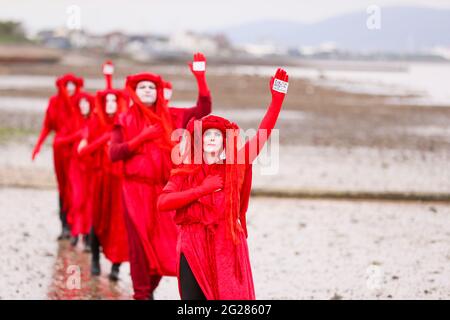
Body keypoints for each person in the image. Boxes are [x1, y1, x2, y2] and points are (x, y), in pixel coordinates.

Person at [157, 68, 289, 300]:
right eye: (207, 135)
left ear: (224, 142)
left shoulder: (235, 166)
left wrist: (276, 101)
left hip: (226, 242)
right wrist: (201, 189)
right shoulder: (185, 171)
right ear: (198, 140)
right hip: (192, 242)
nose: (211, 139)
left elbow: (261, 134)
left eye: (216, 135)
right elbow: (163, 203)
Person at [109, 53, 212, 300]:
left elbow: (203, 110)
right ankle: (142, 294)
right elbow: (114, 153)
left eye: (151, 87)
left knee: (167, 243)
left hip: (165, 191)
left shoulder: (174, 116)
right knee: (139, 245)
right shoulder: (124, 118)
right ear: (134, 91)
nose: (146, 90)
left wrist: (200, 78)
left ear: (158, 91)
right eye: (141, 87)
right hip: (134, 191)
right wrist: (140, 138)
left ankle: (150, 289)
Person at [31, 74, 84, 240]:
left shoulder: (81, 101)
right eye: (66, 85)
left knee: (76, 186)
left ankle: (76, 225)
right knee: (62, 187)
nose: (69, 88)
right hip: (60, 150)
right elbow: (47, 125)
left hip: (77, 149)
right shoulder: (54, 102)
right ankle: (65, 226)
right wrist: (38, 145)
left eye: (72, 85)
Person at [56, 92, 95, 250]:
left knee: (89, 202)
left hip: (90, 168)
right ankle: (74, 230)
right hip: (75, 167)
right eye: (81, 104)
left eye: (86, 103)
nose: (84, 106)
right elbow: (58, 141)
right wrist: (76, 136)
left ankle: (86, 236)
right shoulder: (72, 121)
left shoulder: (95, 121)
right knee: (77, 199)